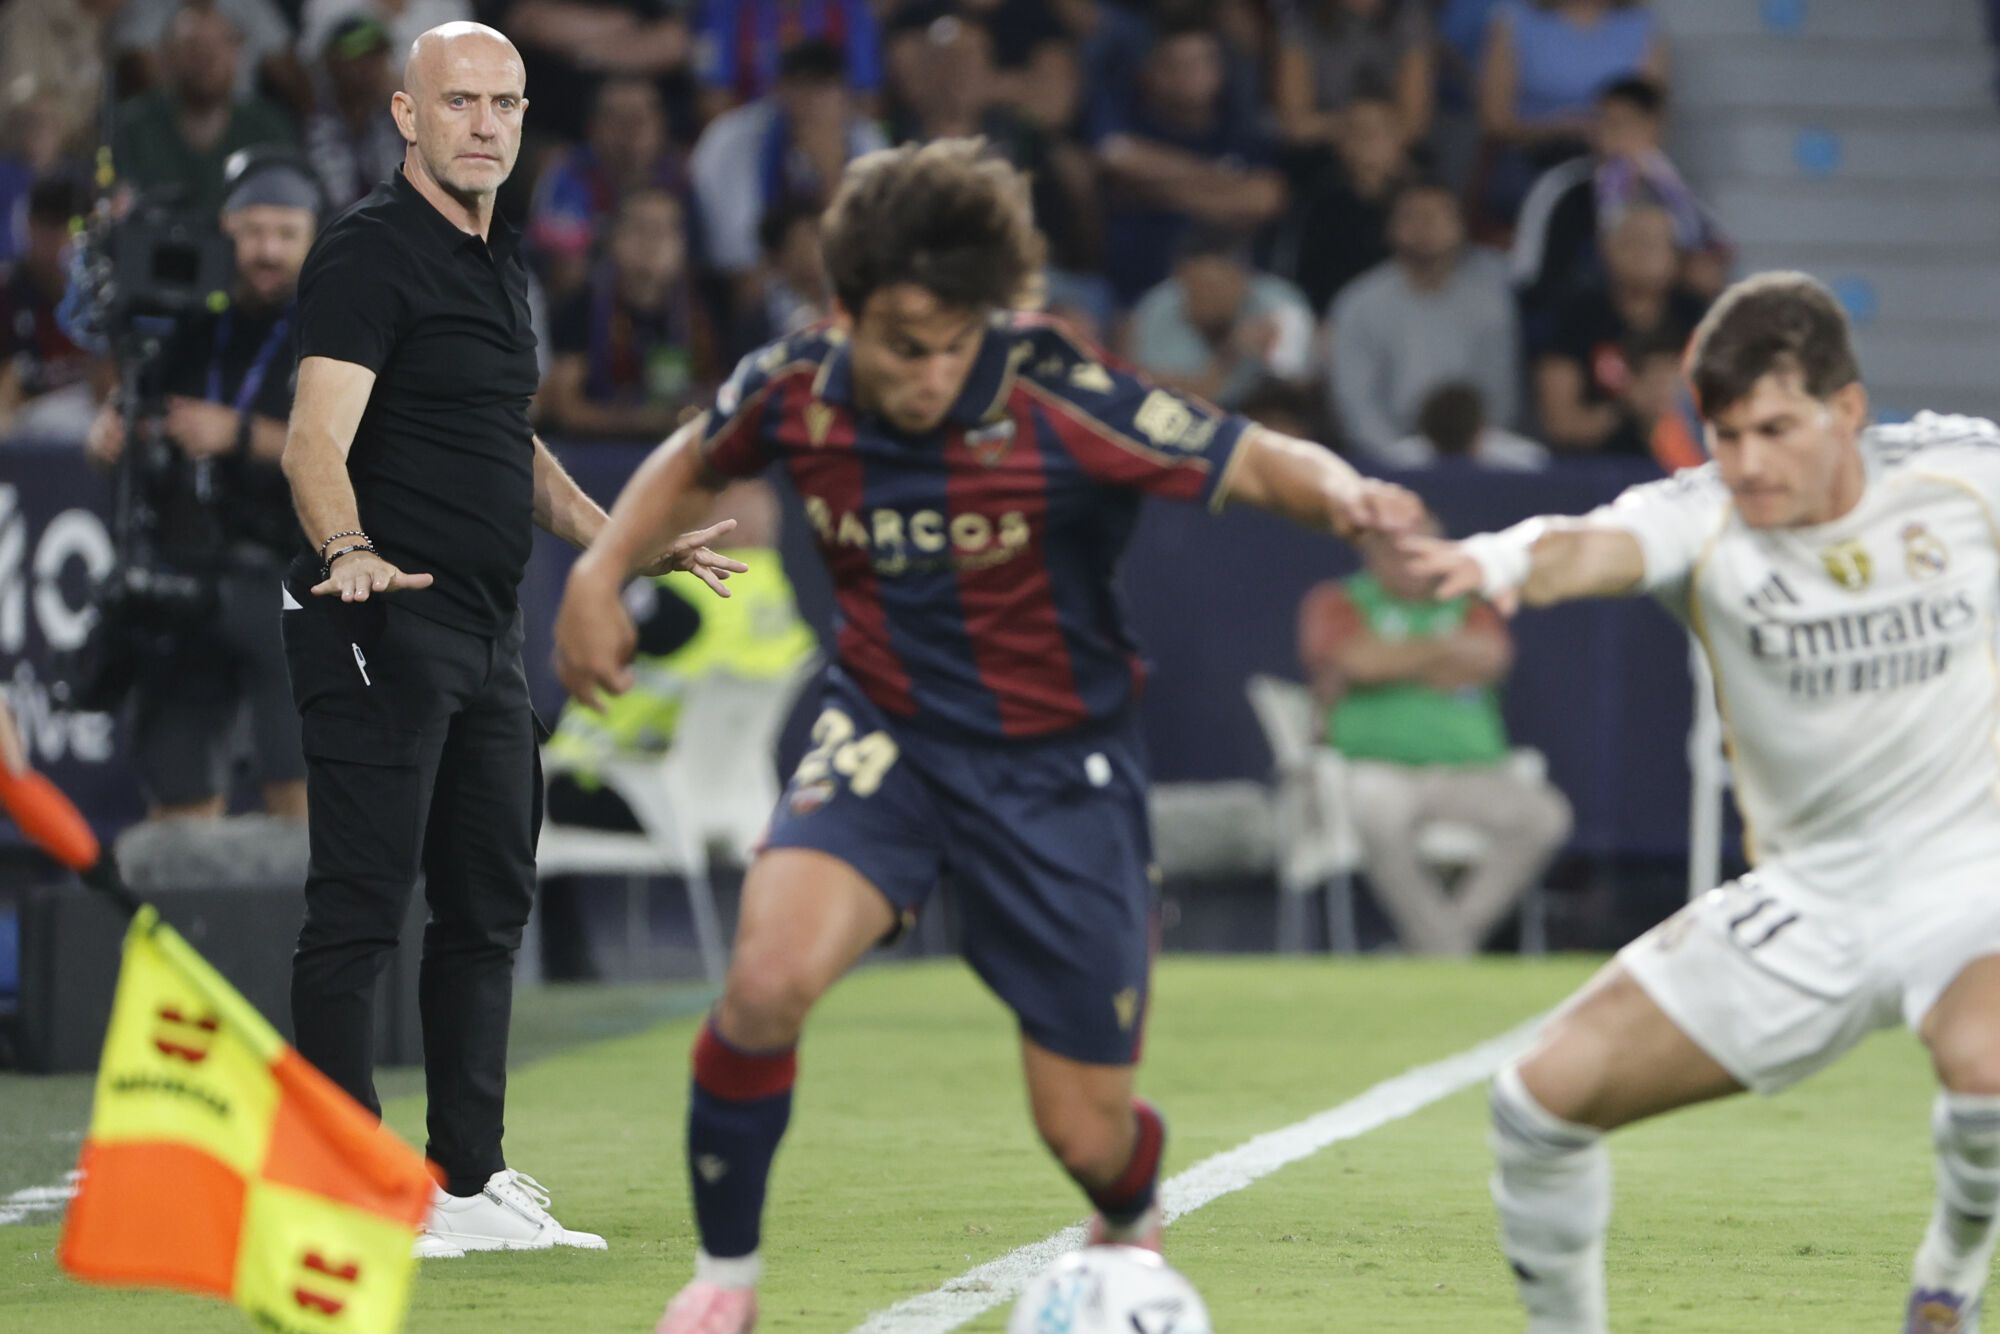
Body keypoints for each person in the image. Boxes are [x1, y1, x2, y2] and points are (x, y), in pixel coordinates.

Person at [550, 138, 1420, 1332]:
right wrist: (599, 571)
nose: (934, 369)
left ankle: (1127, 1191)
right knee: (762, 982)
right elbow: (691, 457)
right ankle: (725, 1282)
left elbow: (1247, 456)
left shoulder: (1059, 387)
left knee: (1082, 1130)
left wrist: (1351, 498)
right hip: (888, 738)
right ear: (844, 310)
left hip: (1059, 767)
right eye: (905, 341)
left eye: (959, 338)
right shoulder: (795, 384)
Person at [1397, 271, 2000, 1332]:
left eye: (1774, 427)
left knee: (1985, 1067)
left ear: (1846, 409)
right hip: (1810, 901)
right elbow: (1581, 545)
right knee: (1536, 1102)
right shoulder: (1701, 517)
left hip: (1974, 872)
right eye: (1722, 434)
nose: (1748, 463)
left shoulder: (1961, 475)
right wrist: (1493, 558)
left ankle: (1947, 1273)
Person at [277, 20, 744, 1259]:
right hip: (378, 616)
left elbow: (506, 442)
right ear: (405, 116)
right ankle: (344, 1190)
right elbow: (312, 439)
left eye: (506, 101)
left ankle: (466, 1180)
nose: (485, 122)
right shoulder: (369, 254)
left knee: (487, 906)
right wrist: (346, 553)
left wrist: (616, 540)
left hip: (486, 630)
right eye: (461, 100)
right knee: (362, 910)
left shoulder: (497, 262)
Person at [82, 155, 322, 821]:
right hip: (186, 582)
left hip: (290, 578)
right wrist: (108, 436)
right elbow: (125, 424)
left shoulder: (335, 329)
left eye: (285, 232)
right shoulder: (184, 324)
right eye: (251, 231)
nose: (267, 250)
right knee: (180, 803)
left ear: (313, 237)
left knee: (300, 802)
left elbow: (360, 453)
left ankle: (304, 929)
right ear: (223, 233)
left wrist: (241, 434)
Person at [539, 479, 814, 980]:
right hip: (730, 796)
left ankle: (553, 971)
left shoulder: (678, 595)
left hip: (623, 791)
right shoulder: (779, 595)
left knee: (512, 780)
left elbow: (578, 655)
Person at [1298, 516, 1570, 954]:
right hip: (1377, 770)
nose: (1410, 563)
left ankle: (1439, 945)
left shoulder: (1471, 603)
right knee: (1377, 810)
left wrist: (1395, 660)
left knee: (1545, 817)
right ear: (1373, 556)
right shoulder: (1339, 600)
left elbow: (1492, 658)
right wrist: (1444, 648)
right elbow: (1358, 660)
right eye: (1397, 552)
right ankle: (1448, 948)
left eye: (1420, 550)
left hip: (1469, 773)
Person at [1090, 15, 1286, 307]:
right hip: (1139, 295)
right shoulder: (1134, 118)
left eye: (1203, 61)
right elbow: (1115, 155)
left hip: (1232, 297)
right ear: (1154, 72)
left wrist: (1155, 190)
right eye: (1179, 64)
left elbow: (1266, 198)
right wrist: (1222, 180)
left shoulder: (1239, 129)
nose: (1193, 73)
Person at [1511, 76, 1730, 322]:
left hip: (1665, 330)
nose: (1610, 134)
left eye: (1624, 124)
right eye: (1602, 122)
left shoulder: (1677, 192)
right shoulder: (1561, 188)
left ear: (1654, 127)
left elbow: (1715, 255)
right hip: (1582, 323)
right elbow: (1529, 276)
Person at [1329, 177, 1519, 459]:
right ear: (1390, 227)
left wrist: (1468, 447)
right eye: (1413, 216)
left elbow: (1500, 395)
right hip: (1389, 456)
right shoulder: (1358, 303)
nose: (1426, 227)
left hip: (1477, 450)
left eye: (1438, 216)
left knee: (1528, 459)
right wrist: (1398, 457)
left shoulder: (1490, 302)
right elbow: (1355, 402)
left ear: (1460, 227)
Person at [689, 39, 889, 279]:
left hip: (841, 279)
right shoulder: (731, 140)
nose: (811, 100)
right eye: (799, 85)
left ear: (845, 95)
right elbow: (733, 255)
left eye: (823, 86)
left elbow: (875, 248)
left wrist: (830, 176)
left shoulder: (868, 143)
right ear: (778, 90)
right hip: (758, 286)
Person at [539, 184, 720, 439]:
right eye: (640, 228)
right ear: (615, 238)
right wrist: (641, 422)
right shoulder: (582, 306)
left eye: (666, 230)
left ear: (683, 245)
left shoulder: (705, 309)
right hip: (597, 453)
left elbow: (725, 395)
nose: (653, 242)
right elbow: (565, 408)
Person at [1534, 204, 1707, 459]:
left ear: (1677, 257)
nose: (1642, 253)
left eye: (1654, 243)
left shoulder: (1699, 318)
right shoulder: (1576, 316)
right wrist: (1628, 405)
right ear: (1607, 249)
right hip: (1592, 472)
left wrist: (1677, 394)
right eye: (1632, 241)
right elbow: (1560, 423)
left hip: (1683, 473)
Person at [110, 2, 298, 218]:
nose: (206, 59)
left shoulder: (268, 128)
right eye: (192, 47)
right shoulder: (132, 127)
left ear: (237, 53)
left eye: (217, 45)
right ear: (166, 56)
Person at [526, 75, 690, 299]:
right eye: (617, 118)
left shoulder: (680, 177)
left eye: (642, 116)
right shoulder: (570, 173)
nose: (631, 130)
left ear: (661, 125)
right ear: (593, 126)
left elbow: (694, 262)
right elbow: (566, 275)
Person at [1124, 226, 1315, 411]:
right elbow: (1155, 396)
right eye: (1194, 287)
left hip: (1259, 419)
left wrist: (1273, 356)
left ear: (1243, 279)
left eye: (1214, 287)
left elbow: (1301, 391)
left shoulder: (1280, 304)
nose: (1205, 298)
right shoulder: (1159, 308)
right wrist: (1231, 353)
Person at [0, 177, 94, 441]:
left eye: (72, 226)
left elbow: (110, 386)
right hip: (25, 441)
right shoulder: (8, 295)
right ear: (29, 226)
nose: (62, 240)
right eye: (50, 225)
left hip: (90, 435)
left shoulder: (104, 295)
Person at [304, 15, 407, 211]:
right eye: (361, 59)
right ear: (331, 63)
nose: (373, 68)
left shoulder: (398, 120)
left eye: (379, 57)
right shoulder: (309, 120)